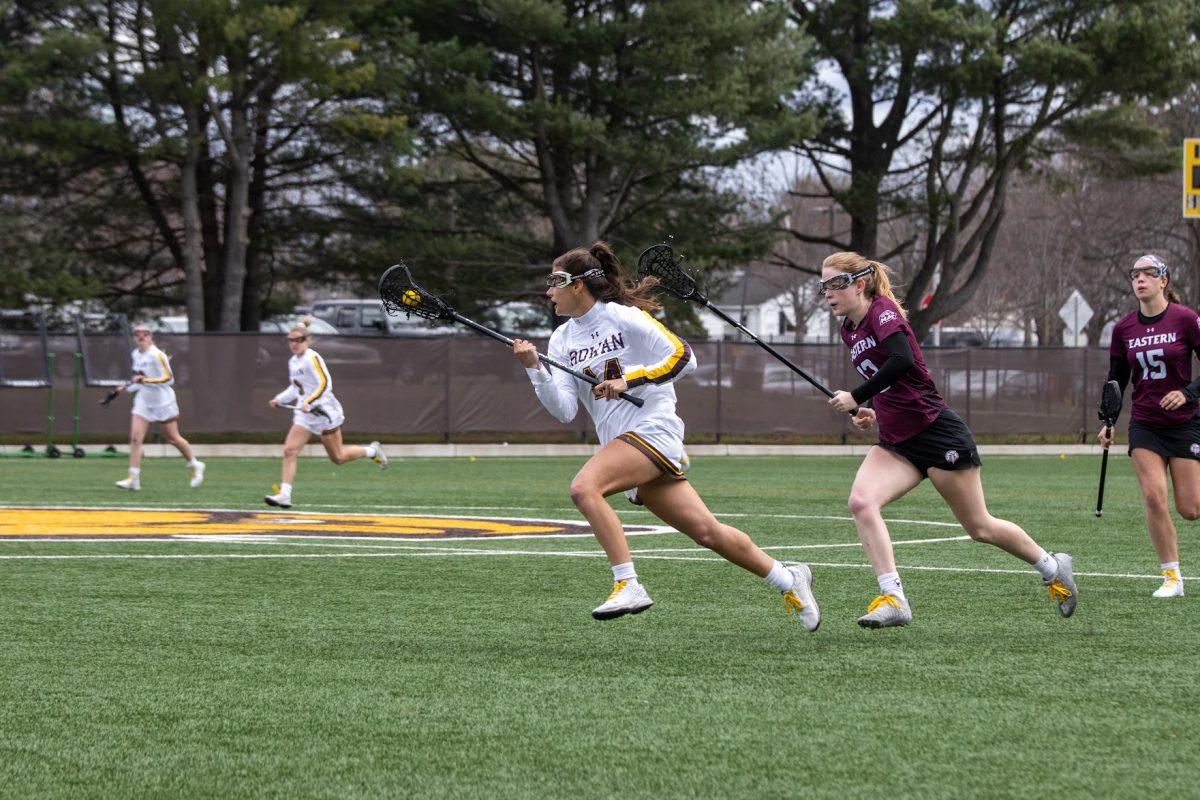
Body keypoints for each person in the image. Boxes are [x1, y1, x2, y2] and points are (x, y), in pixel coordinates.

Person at [510, 242, 820, 628]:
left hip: (652, 430)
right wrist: (534, 368)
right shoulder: (562, 340)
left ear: (578, 286)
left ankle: (628, 583)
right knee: (708, 532)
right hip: (622, 446)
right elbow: (565, 410)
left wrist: (629, 380)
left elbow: (684, 357)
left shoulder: (623, 317)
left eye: (555, 281)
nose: (548, 291)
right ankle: (789, 578)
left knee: (583, 488)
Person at [821, 251, 1077, 628]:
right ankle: (894, 599)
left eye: (835, 284)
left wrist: (857, 395)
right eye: (822, 285)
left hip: (936, 432)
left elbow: (902, 361)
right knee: (861, 502)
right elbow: (889, 378)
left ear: (860, 284)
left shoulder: (883, 313)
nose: (827, 292)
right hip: (896, 440)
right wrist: (872, 407)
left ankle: (1053, 566)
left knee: (980, 528)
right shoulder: (849, 329)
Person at [1099, 254, 1200, 598]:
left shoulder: (1186, 319)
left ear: (1164, 282)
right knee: (1154, 497)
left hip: (1185, 424)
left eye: (1148, 274)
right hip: (1145, 423)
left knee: (1190, 509)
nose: (1140, 279)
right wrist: (1108, 421)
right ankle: (1172, 577)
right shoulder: (1124, 328)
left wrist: (1187, 393)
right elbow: (1116, 379)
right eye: (1135, 275)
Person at [264, 319, 387, 508]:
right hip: (305, 415)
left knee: (338, 458)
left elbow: (324, 384)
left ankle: (371, 451)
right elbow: (297, 388)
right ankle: (285, 495)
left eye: (299, 339)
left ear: (308, 339)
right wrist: (280, 399)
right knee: (289, 450)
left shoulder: (312, 358)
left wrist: (309, 401)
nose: (294, 344)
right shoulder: (293, 361)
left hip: (324, 412)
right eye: (291, 340)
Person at [114, 323, 204, 491]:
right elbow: (139, 381)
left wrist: (144, 381)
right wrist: (126, 388)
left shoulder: (157, 355)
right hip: (144, 401)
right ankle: (133, 478)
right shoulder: (136, 354)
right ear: (134, 338)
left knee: (173, 438)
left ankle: (195, 464)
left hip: (163, 402)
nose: (141, 337)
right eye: (137, 334)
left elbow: (169, 379)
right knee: (135, 438)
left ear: (150, 337)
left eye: (145, 334)